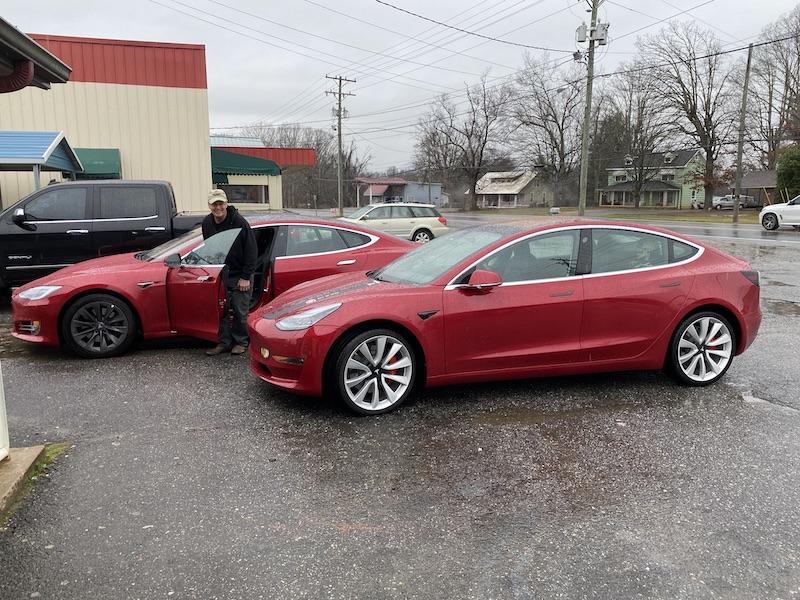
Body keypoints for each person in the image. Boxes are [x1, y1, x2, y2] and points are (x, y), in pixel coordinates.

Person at [202, 189, 257, 356]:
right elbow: (209, 248)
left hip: (241, 273)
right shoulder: (207, 223)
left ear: (226, 204)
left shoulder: (239, 222)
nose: (218, 207)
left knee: (240, 310)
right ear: (209, 206)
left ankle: (241, 342)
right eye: (214, 204)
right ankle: (224, 342)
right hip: (222, 274)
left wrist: (246, 277)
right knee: (222, 310)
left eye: (221, 203)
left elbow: (251, 250)